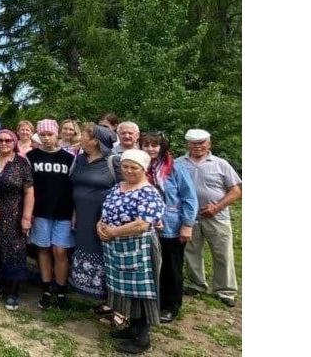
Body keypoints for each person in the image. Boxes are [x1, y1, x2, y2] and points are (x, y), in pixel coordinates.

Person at [97, 149, 165, 354]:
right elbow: (106, 210)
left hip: (139, 247)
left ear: (143, 169)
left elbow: (143, 224)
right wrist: (99, 226)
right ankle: (132, 328)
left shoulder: (149, 192)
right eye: (125, 167)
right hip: (117, 247)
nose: (128, 171)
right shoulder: (119, 187)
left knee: (142, 292)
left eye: (133, 168)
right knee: (126, 291)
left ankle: (142, 338)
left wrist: (113, 231)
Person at [177, 129, 241, 307]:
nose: (198, 146)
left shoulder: (221, 164)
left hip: (217, 216)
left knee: (222, 253)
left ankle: (225, 290)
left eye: (202, 142)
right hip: (190, 218)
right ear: (187, 144)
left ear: (209, 144)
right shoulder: (179, 163)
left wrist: (217, 207)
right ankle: (196, 284)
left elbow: (236, 191)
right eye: (194, 143)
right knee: (191, 252)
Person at [141, 131, 198, 323]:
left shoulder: (175, 167)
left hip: (171, 225)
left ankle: (171, 305)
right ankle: (155, 301)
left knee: (171, 266)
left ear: (162, 146)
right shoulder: (141, 167)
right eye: (146, 145)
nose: (150, 149)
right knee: (152, 265)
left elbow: (189, 197)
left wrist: (187, 225)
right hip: (146, 225)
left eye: (154, 145)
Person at [68, 123, 120, 315]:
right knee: (84, 248)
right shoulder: (79, 159)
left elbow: (125, 188)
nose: (80, 138)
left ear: (95, 141)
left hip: (104, 218)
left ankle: (110, 298)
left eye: (84, 136)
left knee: (104, 252)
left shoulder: (113, 162)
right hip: (82, 214)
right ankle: (86, 290)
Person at [0, 128, 34, 311]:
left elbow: (29, 191)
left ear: (14, 143)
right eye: (0, 140)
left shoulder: (21, 163)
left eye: (8, 140)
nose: (4, 143)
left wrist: (27, 217)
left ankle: (13, 291)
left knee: (14, 250)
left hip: (14, 213)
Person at [28, 119, 76, 310]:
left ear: (57, 135)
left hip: (63, 211)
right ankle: (46, 288)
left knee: (60, 251)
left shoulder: (68, 158)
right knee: (43, 249)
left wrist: (75, 211)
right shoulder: (31, 157)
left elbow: (74, 186)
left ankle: (62, 289)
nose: (46, 138)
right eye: (43, 135)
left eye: (50, 134)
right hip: (40, 211)